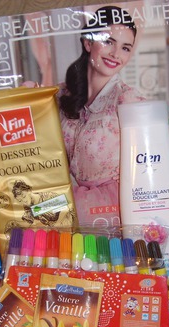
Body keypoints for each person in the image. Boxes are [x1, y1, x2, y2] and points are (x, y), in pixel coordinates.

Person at [59, 5, 145, 227]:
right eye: (108, 42)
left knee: (50, 217)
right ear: (88, 43)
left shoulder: (127, 99)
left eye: (125, 48)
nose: (116, 54)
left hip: (114, 204)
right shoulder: (64, 93)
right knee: (35, 210)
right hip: (74, 195)